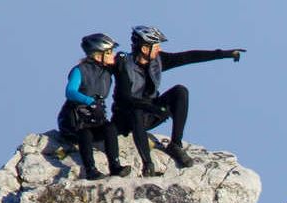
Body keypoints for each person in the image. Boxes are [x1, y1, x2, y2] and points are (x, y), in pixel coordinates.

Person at [113, 25, 244, 175]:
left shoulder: (158, 60)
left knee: (180, 91)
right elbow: (125, 98)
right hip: (127, 119)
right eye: (156, 46)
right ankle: (148, 164)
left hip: (149, 115)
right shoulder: (123, 64)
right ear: (144, 49)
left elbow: (189, 57)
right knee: (135, 110)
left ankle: (175, 144)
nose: (159, 50)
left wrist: (225, 54)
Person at [58, 33, 129, 180]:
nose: (112, 55)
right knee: (86, 133)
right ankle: (90, 170)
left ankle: (115, 166)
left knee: (110, 128)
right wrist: (89, 101)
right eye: (109, 52)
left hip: (95, 118)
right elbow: (70, 91)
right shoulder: (80, 70)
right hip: (75, 120)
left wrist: (122, 60)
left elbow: (127, 64)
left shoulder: (108, 70)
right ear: (98, 56)